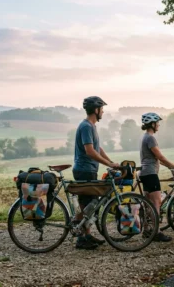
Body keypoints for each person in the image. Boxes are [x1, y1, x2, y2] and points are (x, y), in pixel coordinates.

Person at [73, 96, 120, 250]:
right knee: (87, 203)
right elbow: (90, 151)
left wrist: (110, 162)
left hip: (89, 170)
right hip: (84, 170)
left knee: (90, 204)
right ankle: (80, 237)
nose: (103, 112)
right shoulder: (87, 126)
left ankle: (87, 234)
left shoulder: (91, 126)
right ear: (96, 110)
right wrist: (108, 164)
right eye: (102, 109)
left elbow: (98, 148)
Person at [139, 112, 174, 242]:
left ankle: (147, 230)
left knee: (148, 203)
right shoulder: (151, 138)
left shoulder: (144, 137)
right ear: (152, 124)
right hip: (151, 173)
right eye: (157, 123)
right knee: (156, 203)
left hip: (145, 173)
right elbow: (160, 156)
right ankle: (156, 232)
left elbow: (155, 158)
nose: (158, 125)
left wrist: (167, 165)